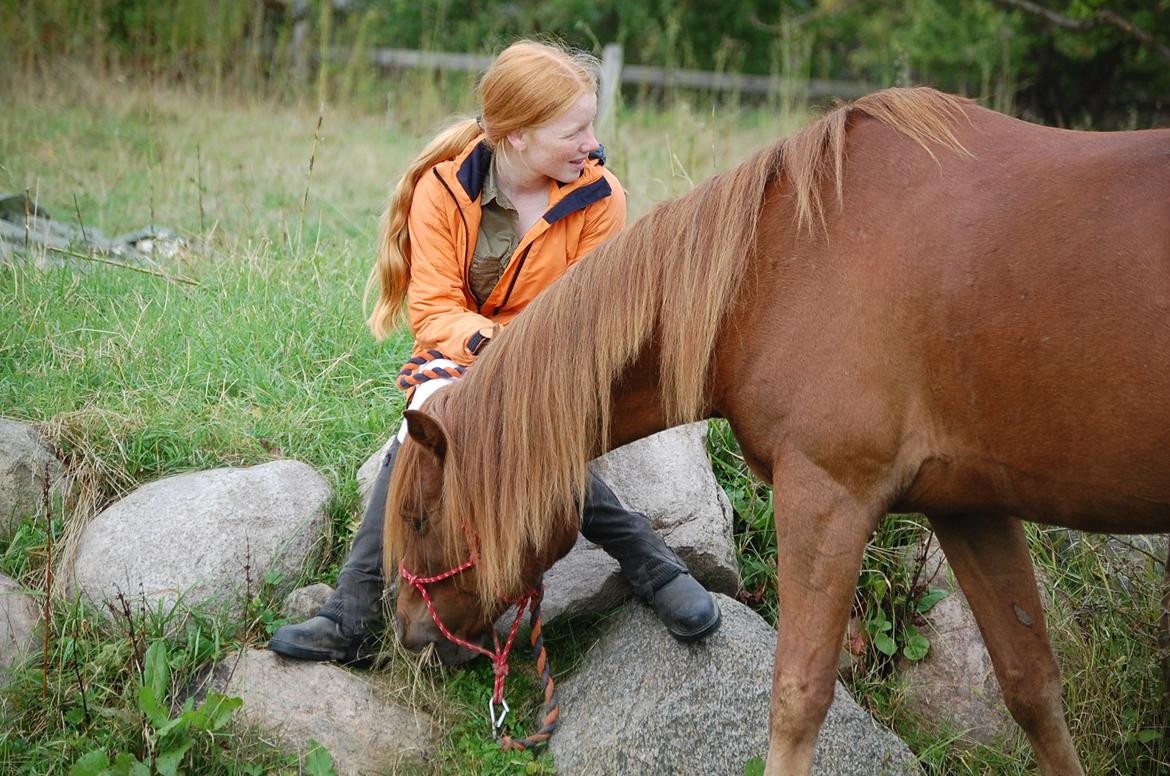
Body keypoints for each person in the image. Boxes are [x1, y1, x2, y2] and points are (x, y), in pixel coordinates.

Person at [270, 39, 720, 664]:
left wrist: (522, 367)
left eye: (591, 123)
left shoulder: (599, 199)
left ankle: (649, 564)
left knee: (534, 434)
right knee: (427, 427)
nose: (593, 142)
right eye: (575, 129)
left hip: (558, 367)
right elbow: (432, 312)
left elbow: (590, 321)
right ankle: (354, 612)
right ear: (516, 137)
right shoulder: (443, 191)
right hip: (463, 352)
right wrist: (495, 351)